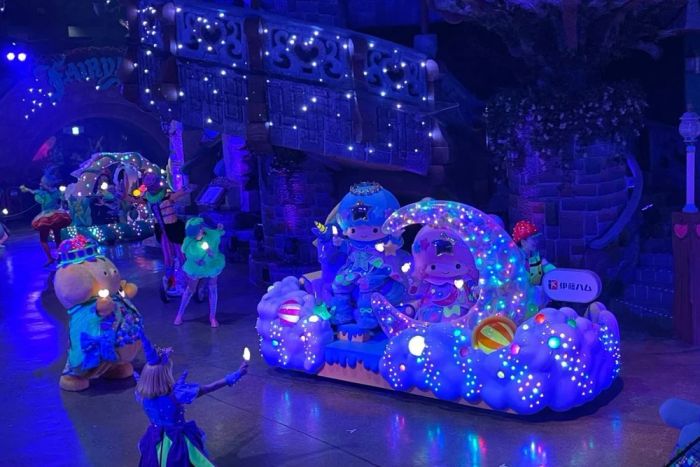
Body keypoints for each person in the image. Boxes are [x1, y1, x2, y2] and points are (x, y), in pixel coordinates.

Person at [135, 331, 248, 466]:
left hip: (155, 439)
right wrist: (235, 375)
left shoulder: (141, 395)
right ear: (165, 374)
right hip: (177, 442)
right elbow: (209, 387)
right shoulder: (177, 394)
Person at [175, 217, 225, 327]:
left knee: (213, 287)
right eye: (198, 230)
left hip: (212, 265)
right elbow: (187, 253)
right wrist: (196, 260)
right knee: (190, 289)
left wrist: (219, 229)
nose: (201, 230)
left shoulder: (209, 235)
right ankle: (179, 315)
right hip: (196, 267)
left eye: (201, 229)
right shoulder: (189, 242)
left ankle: (212, 317)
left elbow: (218, 234)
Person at [20, 173, 72, 266]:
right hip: (56, 216)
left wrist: (27, 189)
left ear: (46, 183)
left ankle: (50, 258)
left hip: (45, 218)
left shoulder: (42, 193)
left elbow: (36, 194)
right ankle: (60, 257)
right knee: (57, 238)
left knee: (43, 240)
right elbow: (61, 199)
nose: (40, 184)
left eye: (42, 182)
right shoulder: (56, 191)